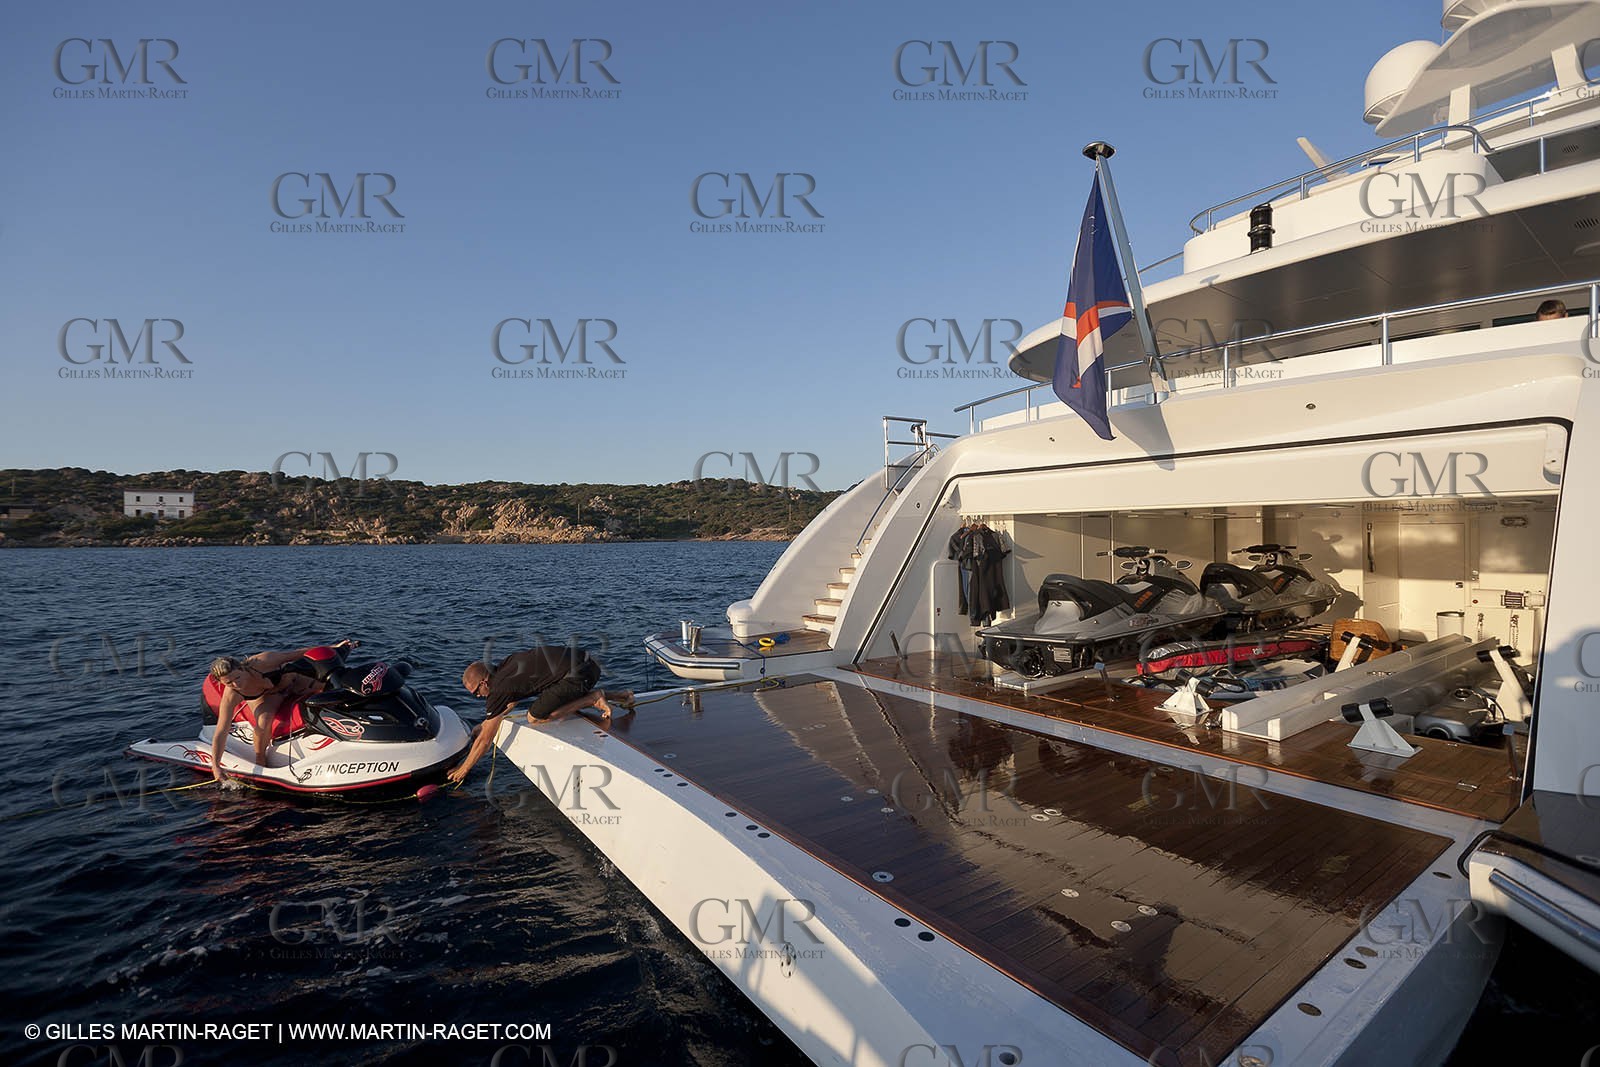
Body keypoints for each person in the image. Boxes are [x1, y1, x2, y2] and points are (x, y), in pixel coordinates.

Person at [446, 645, 633, 785]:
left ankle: (593, 699)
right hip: (587, 663)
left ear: (484, 682)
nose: (478, 697)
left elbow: (485, 742)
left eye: (476, 692)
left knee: (535, 717)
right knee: (554, 696)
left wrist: (463, 769)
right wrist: (486, 722)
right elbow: (511, 702)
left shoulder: (498, 690)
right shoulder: (505, 667)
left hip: (580, 675)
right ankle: (620, 696)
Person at [207, 638, 358, 782]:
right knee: (263, 723)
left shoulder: (263, 661)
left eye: (237, 678)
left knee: (330, 688)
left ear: (242, 668)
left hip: (290, 682)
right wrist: (216, 766)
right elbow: (221, 730)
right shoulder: (231, 695)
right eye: (229, 683)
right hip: (268, 697)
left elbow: (297, 654)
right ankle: (260, 759)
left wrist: (334, 648)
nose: (235, 684)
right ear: (221, 682)